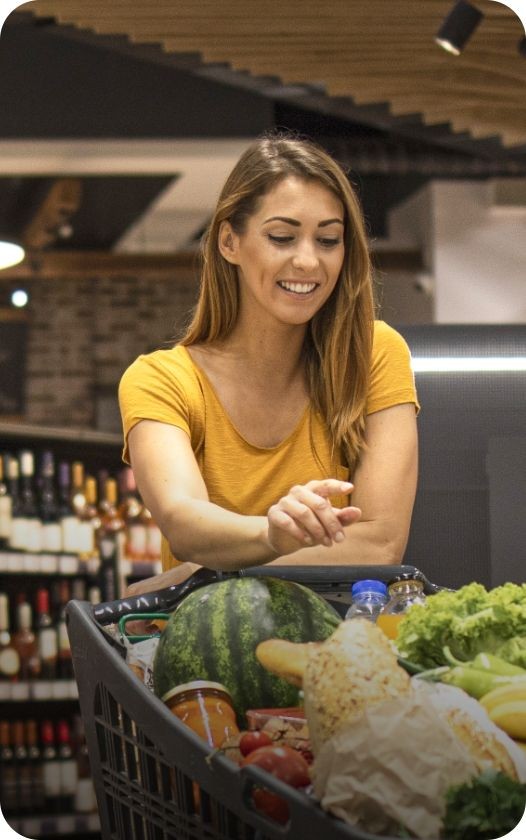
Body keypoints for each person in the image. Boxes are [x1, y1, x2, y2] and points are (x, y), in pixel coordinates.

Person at [119, 132, 419, 595]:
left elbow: (380, 543)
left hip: (339, 648)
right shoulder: (161, 380)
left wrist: (200, 575)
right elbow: (183, 520)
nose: (307, 260)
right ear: (228, 242)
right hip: (204, 659)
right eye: (282, 237)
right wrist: (271, 535)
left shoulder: (375, 353)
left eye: (328, 240)